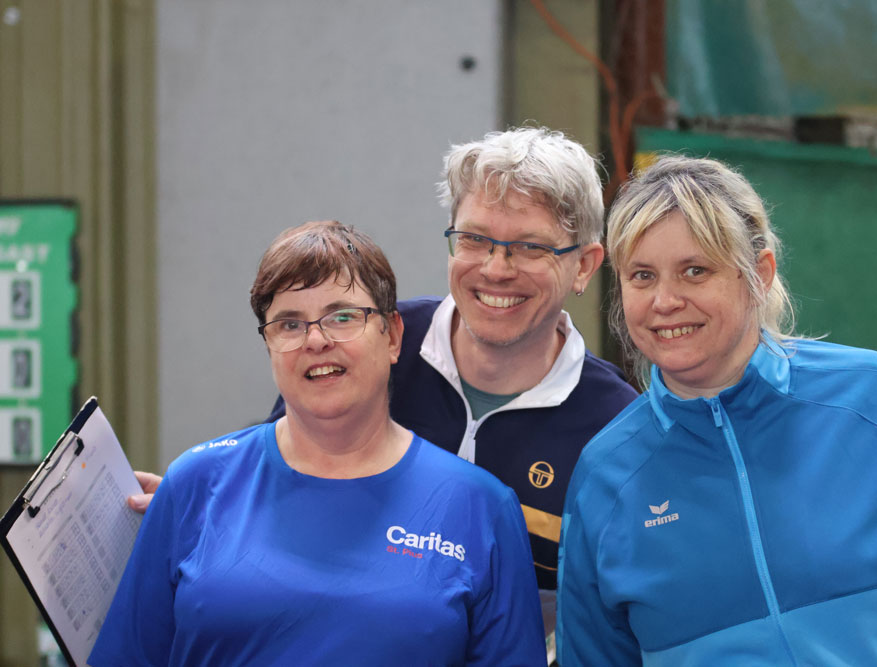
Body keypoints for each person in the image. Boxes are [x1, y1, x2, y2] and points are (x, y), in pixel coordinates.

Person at [131, 127, 639, 637]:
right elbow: (271, 487)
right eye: (474, 239)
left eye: (529, 247)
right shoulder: (366, 342)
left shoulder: (616, 429)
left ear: (584, 266)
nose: (495, 268)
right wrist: (196, 511)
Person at [557, 155, 877, 666]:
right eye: (641, 276)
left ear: (759, 274)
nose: (665, 300)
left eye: (694, 271)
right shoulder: (606, 474)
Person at [92, 221, 546, 665]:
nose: (315, 340)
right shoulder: (194, 482)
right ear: (269, 346)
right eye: (288, 324)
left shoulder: (481, 507)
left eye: (342, 317)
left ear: (393, 336)